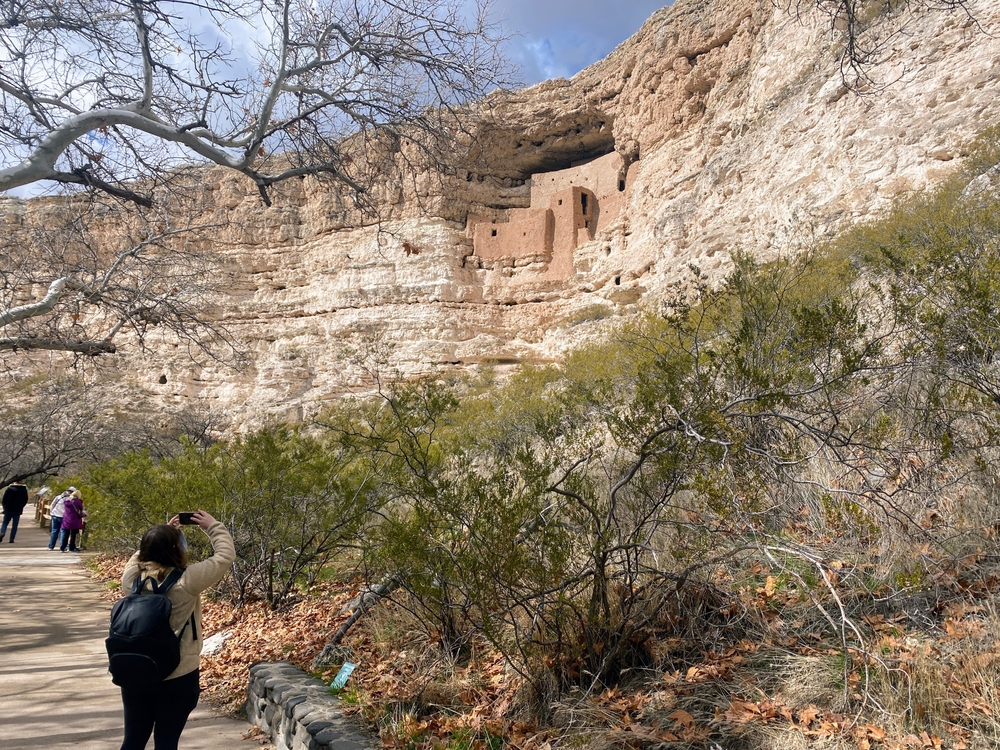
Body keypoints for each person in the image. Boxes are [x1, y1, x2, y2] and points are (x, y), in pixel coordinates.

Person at [119, 510, 235, 750]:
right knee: (167, 741)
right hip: (177, 673)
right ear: (176, 550)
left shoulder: (131, 580)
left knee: (133, 739)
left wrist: (159, 535)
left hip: (135, 670)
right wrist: (213, 526)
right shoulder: (187, 581)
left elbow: (139, 556)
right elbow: (224, 556)